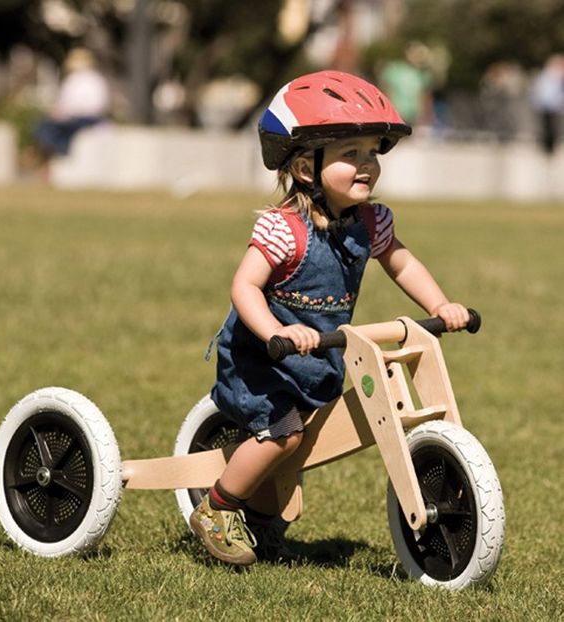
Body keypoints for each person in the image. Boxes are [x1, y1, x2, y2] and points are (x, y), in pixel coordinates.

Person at [190, 70, 470, 566]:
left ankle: (259, 520)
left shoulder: (371, 222)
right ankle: (216, 507)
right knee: (287, 434)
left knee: (306, 440)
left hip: (315, 355)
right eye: (350, 155)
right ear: (305, 167)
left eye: (371, 152)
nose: (367, 165)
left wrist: (439, 305)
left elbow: (402, 262)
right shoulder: (284, 229)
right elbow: (245, 287)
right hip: (262, 359)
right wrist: (276, 331)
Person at [34, 47, 110, 160]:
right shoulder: (98, 79)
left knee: (44, 128)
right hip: (93, 119)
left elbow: (66, 106)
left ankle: (63, 154)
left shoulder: (74, 80)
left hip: (79, 119)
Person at [530, 54, 564, 155]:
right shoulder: (546, 76)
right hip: (547, 105)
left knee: (552, 127)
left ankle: (549, 147)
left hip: (553, 106)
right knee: (547, 127)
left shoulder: (554, 76)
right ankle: (547, 147)